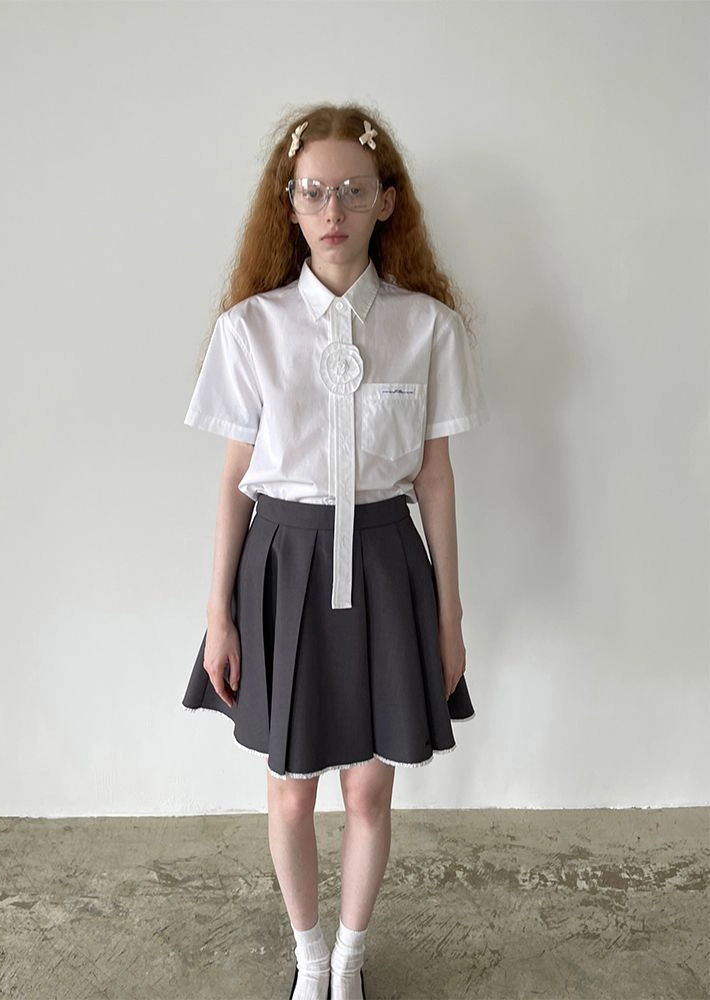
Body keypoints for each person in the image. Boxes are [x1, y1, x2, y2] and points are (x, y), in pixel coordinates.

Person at [181, 102, 490, 1000]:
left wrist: (450, 618)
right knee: (291, 788)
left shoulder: (428, 328)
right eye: (313, 191)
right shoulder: (251, 329)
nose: (333, 210)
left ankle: (350, 961)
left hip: (389, 566)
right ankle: (309, 958)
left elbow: (436, 481)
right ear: (289, 202)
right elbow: (236, 482)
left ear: (386, 201)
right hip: (281, 567)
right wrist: (218, 616)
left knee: (368, 793)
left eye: (353, 191)